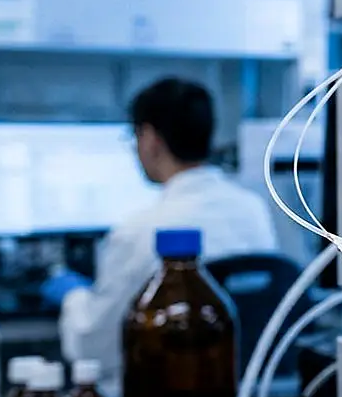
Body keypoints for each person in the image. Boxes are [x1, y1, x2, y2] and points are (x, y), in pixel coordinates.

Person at [47, 78, 277, 374]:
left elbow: (94, 347)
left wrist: (72, 296)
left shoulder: (140, 232)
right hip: (244, 392)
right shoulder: (253, 210)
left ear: (149, 139)